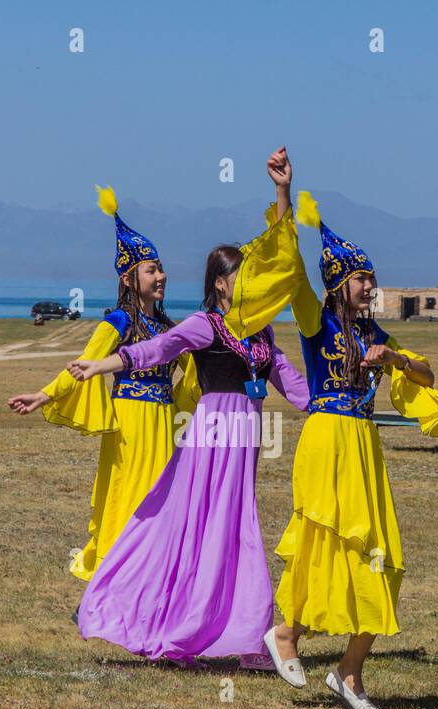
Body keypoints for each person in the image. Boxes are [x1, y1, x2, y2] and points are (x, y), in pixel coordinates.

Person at [67, 149, 308, 667]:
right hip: (211, 436)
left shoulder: (262, 334)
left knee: (236, 529)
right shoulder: (206, 324)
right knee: (193, 526)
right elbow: (157, 349)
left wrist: (339, 410)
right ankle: (171, 618)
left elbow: (295, 385)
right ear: (221, 284)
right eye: (241, 278)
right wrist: (106, 365)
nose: (251, 285)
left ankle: (240, 631)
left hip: (243, 440)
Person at [265, 193, 438, 709]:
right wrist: (284, 194)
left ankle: (349, 670)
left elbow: (428, 376)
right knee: (326, 546)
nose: (369, 286)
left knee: (382, 554)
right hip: (327, 438)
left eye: (371, 277)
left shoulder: (376, 332)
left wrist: (393, 356)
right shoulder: (314, 319)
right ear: (337, 285)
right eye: (360, 279)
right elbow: (289, 262)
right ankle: (286, 634)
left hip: (364, 445)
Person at [8, 188, 197, 584]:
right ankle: (113, 585)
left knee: (162, 503)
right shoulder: (118, 323)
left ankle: (151, 584)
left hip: (164, 424)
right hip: (130, 424)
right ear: (130, 279)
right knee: (130, 498)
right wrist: (44, 396)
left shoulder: (166, 328)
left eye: (161, 268)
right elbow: (84, 365)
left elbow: (196, 369)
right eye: (151, 270)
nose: (160, 275)